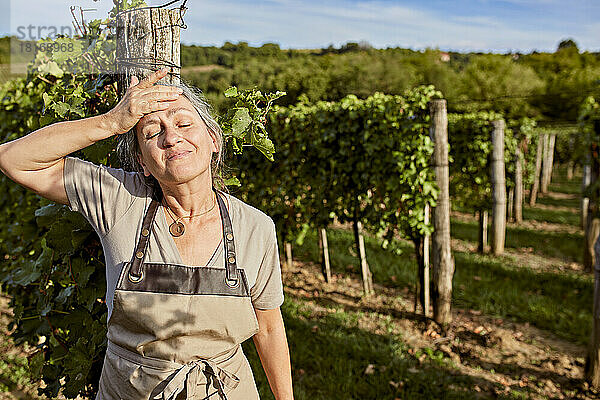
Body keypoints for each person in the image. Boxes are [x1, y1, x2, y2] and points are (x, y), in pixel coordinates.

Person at [0, 68, 294, 400]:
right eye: (154, 132)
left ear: (213, 139)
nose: (171, 138)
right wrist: (112, 122)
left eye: (184, 124)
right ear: (142, 162)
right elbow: (14, 159)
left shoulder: (254, 227)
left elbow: (268, 328)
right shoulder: (118, 199)